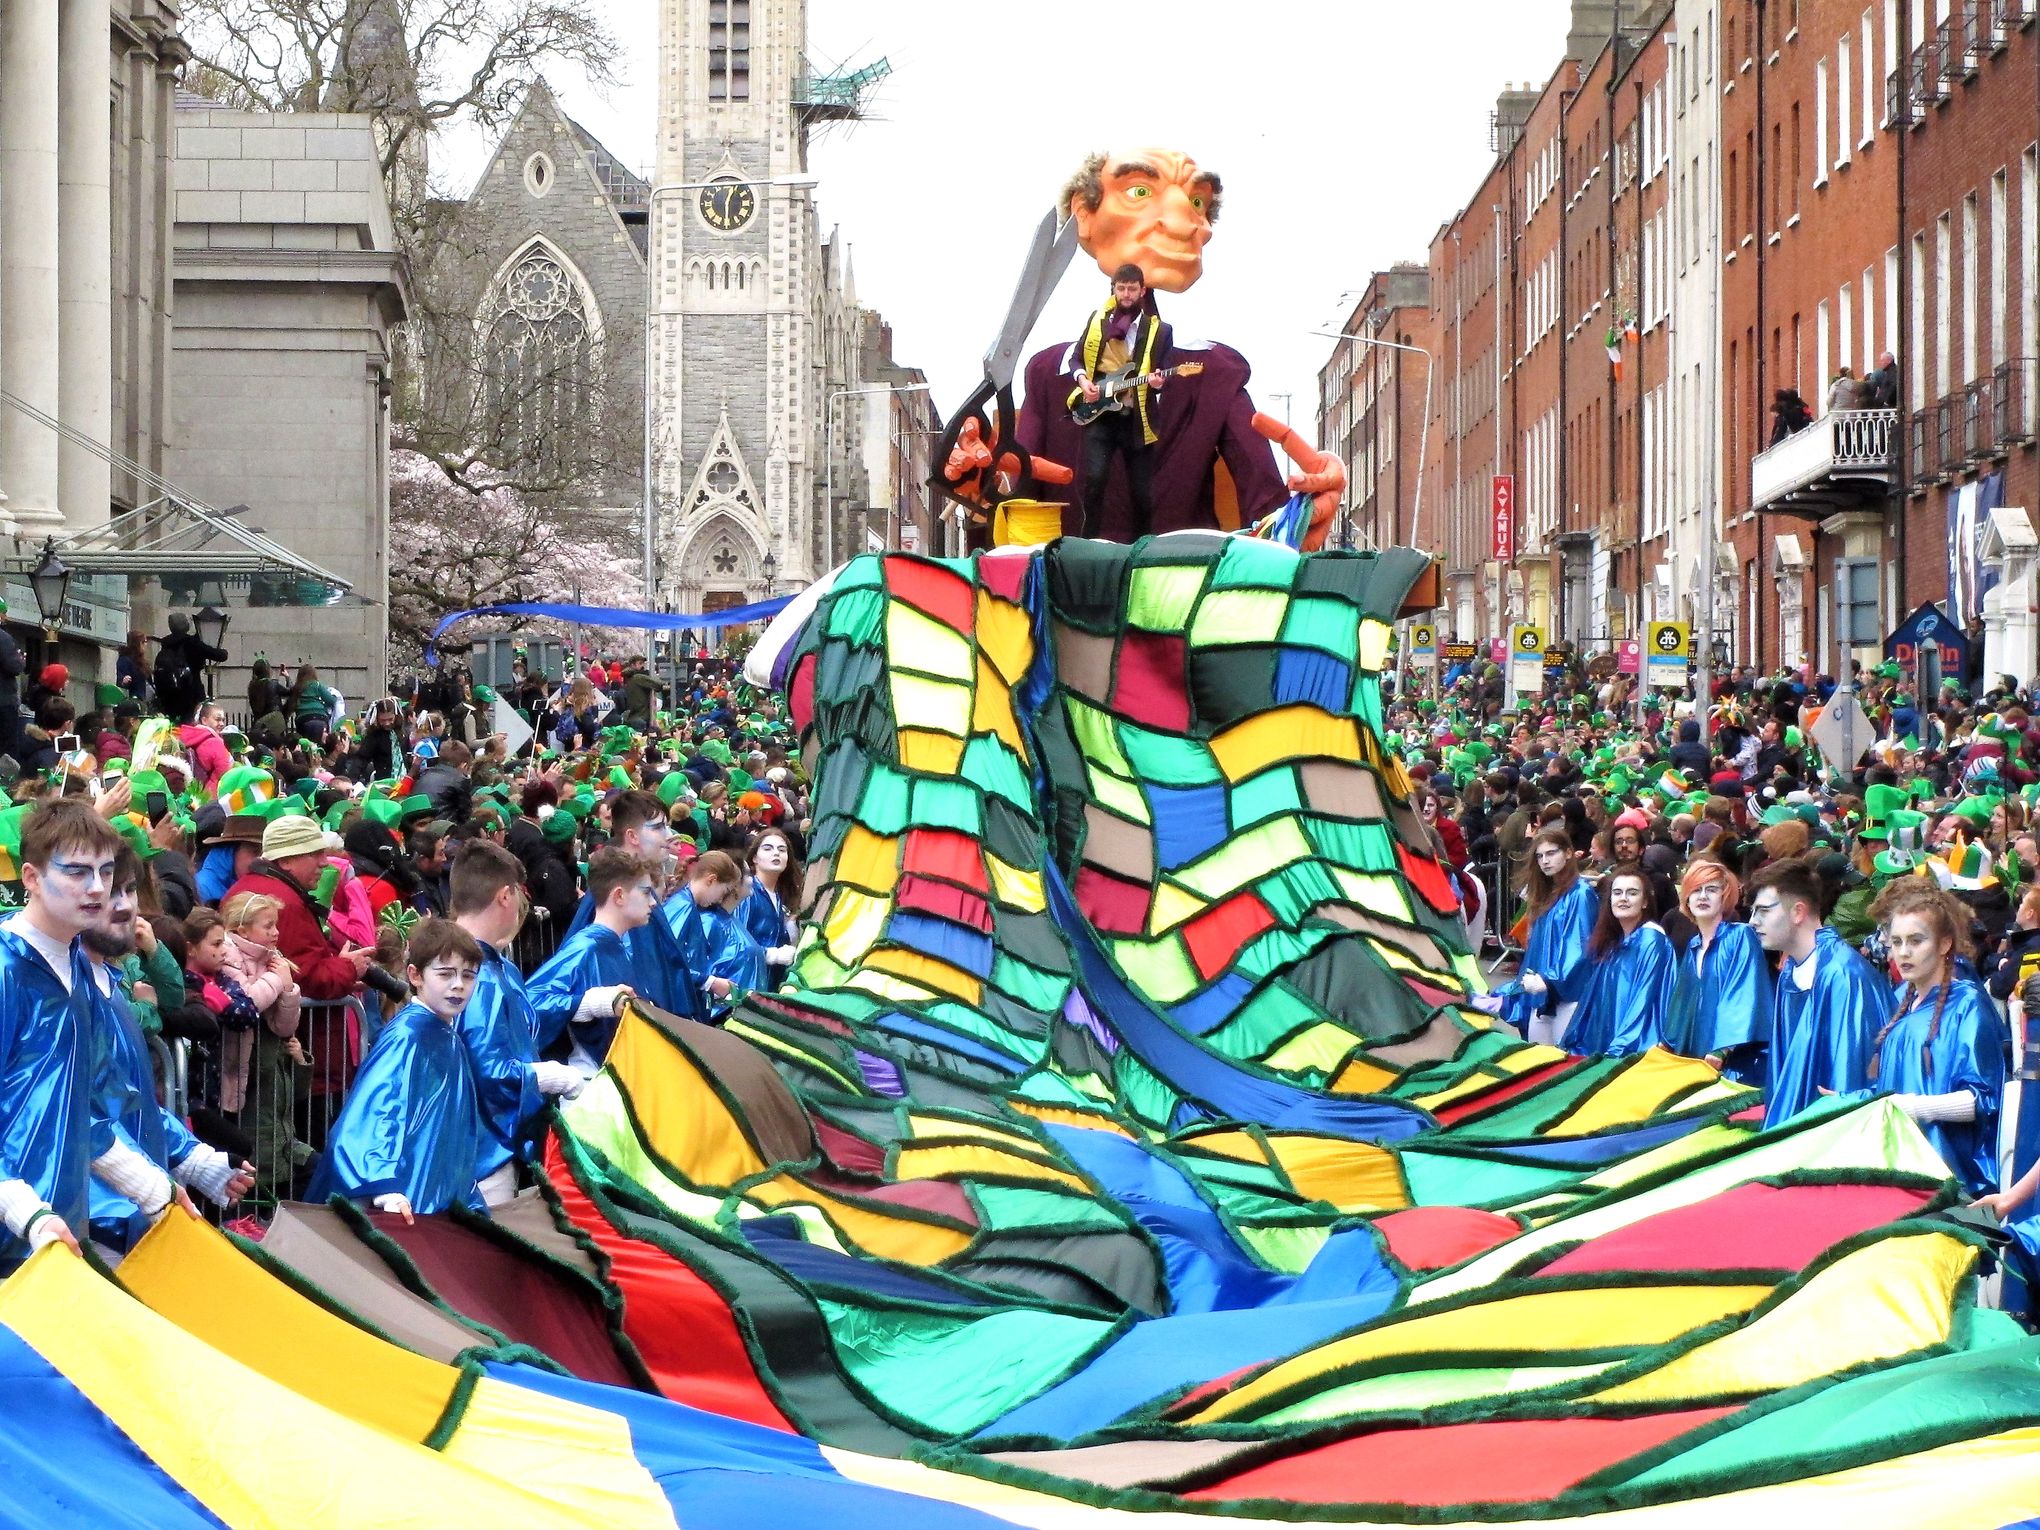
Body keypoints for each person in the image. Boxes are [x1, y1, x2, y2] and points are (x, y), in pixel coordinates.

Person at [0, 802, 179, 1266]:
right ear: (32, 878)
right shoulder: (5, 972)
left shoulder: (82, 969)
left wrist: (153, 1189)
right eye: (77, 872)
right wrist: (22, 1210)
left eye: (104, 871)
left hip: (54, 1235)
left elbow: (91, 1108)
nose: (97, 888)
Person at [84, 848, 253, 1251]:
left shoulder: (105, 981)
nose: (124, 905)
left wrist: (192, 1159)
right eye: (108, 891)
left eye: (129, 889)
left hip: (115, 1214)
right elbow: (57, 1112)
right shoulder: (49, 985)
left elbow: (120, 1098)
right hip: (76, 1222)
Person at [306, 918, 488, 1220]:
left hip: (428, 1196)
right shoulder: (408, 1036)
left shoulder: (444, 1034)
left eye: (468, 976)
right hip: (400, 1202)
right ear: (415, 975)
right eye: (445, 974)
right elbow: (378, 1108)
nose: (458, 985)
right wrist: (382, 1184)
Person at [1852, 880, 2007, 1196]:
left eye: (1916, 941)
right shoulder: (1900, 1000)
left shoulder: (1967, 1004)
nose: (1903, 952)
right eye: (1896, 942)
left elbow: (1985, 1099)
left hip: (1950, 1178)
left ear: (1944, 943)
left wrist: (1916, 1107)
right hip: (1898, 1170)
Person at [448, 840, 581, 1205]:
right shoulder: (476, 975)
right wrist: (551, 1076)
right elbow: (489, 1070)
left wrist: (581, 1004)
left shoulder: (494, 966)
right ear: (506, 896)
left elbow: (522, 1029)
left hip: (499, 1140)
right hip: (485, 1149)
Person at [1749, 859, 1893, 1126]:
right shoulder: (1792, 968)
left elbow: (1848, 1085)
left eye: (1763, 911)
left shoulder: (1843, 974)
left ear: (1797, 912)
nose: (1753, 922)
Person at [526, 847, 650, 1076]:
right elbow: (530, 1005)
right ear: (619, 896)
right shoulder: (584, 948)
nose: (653, 902)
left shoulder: (618, 945)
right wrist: (592, 1003)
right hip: (591, 1086)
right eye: (645, 892)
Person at [1069, 264, 1173, 538]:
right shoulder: (1097, 321)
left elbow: (1164, 370)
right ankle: (1087, 542)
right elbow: (1076, 359)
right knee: (1094, 480)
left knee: (1142, 492)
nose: (1126, 294)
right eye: (1121, 288)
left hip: (1136, 418)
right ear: (1113, 289)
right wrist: (1083, 381)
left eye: (1132, 289)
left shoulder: (1159, 330)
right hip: (1100, 414)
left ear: (1142, 291)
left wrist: (1159, 382)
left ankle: (1141, 547)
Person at [1661, 860, 1774, 1082]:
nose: (1702, 896)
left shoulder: (1741, 936)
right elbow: (1681, 1004)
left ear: (1725, 896)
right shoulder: (1694, 945)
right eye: (1696, 890)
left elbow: (1744, 994)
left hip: (1738, 1062)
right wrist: (1668, 1041)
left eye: (1711, 890)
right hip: (1697, 1059)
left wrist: (1723, 1049)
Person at [1495, 827, 1600, 1045]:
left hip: (1569, 996)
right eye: (1540, 856)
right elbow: (1537, 950)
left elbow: (1580, 948)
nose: (1545, 861)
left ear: (1568, 853)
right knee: (1539, 1062)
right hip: (1541, 993)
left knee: (1564, 1062)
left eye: (1551, 853)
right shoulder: (1546, 895)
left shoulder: (1581, 894)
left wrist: (1549, 981)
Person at [1562, 864, 1676, 1056]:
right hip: (1608, 1046)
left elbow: (1643, 1000)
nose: (1623, 898)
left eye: (1632, 893)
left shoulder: (1651, 940)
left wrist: (1618, 1049)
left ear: (1645, 902)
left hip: (1633, 1051)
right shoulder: (1614, 943)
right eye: (1617, 893)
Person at [741, 828, 802, 989]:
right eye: (768, 848)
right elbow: (735, 941)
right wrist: (771, 955)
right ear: (754, 857)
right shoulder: (747, 892)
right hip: (747, 988)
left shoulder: (784, 896)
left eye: (782, 850)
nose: (776, 853)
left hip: (774, 987)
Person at [152, 612, 227, 725]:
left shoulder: (165, 645)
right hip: (192, 694)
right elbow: (219, 656)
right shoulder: (191, 643)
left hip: (170, 698)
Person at [0, 596, 25, 765]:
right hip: (3, 702)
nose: (5, 617)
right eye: (3, 613)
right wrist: (21, 659)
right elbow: (13, 666)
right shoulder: (3, 638)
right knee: (7, 751)